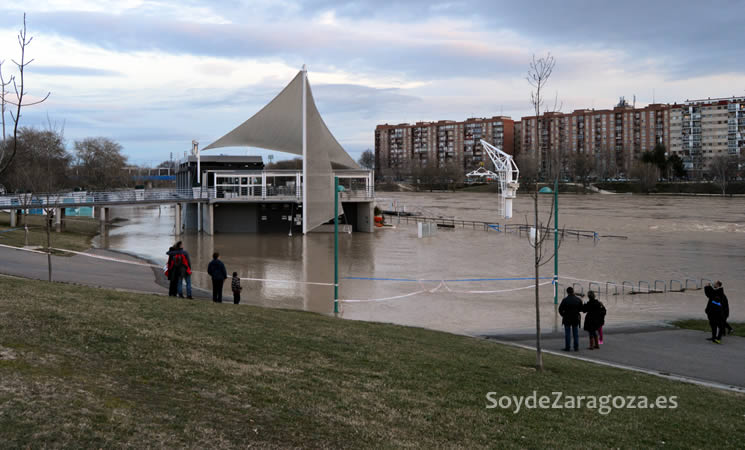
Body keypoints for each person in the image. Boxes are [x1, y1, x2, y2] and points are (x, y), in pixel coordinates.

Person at [558, 287, 583, 352]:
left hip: (567, 318)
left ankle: (567, 347)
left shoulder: (565, 300)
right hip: (575, 318)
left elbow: (560, 309)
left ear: (567, 292)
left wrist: (563, 315)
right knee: (575, 333)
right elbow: (581, 309)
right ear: (573, 291)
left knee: (567, 334)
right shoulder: (578, 299)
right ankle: (576, 347)